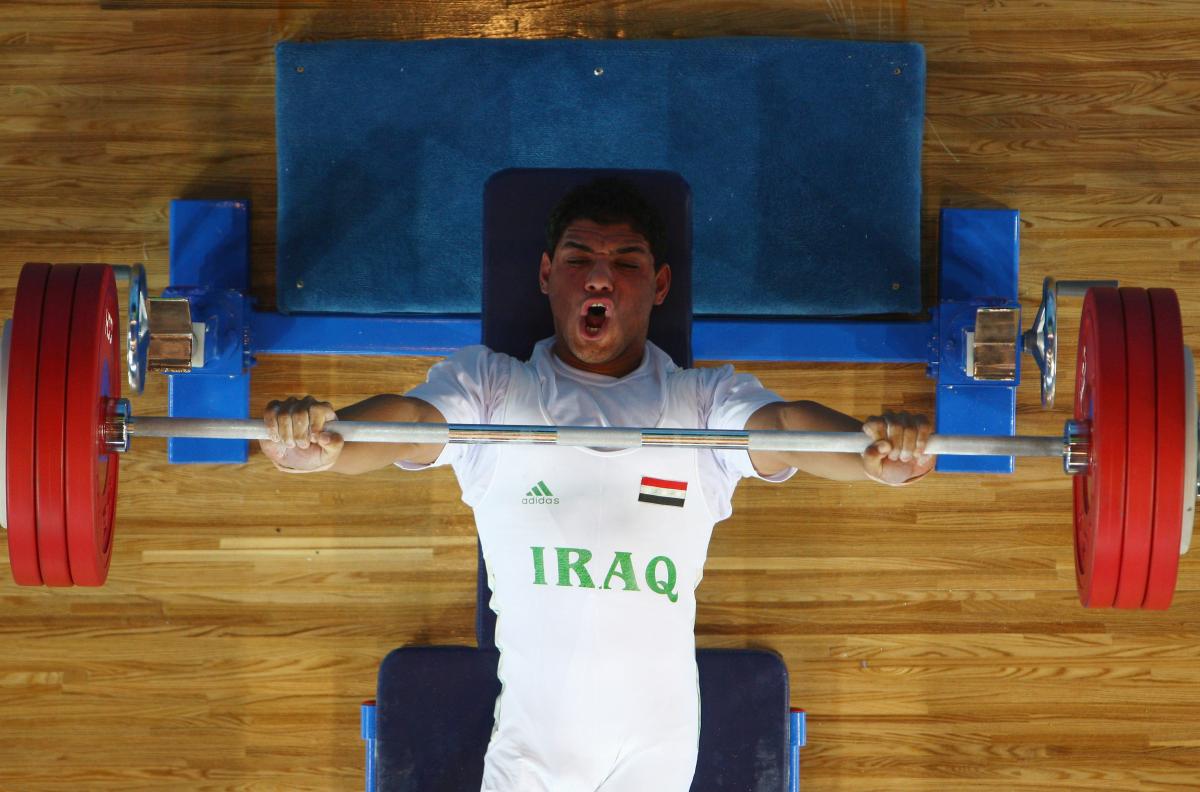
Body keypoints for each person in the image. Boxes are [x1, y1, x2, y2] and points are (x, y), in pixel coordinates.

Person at [260, 178, 934, 792]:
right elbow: (409, 420)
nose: (601, 280)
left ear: (660, 284)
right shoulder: (494, 390)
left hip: (658, 756)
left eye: (627, 263)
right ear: (548, 275)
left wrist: (866, 454)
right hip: (535, 763)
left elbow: (786, 426)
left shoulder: (701, 404)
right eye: (580, 259)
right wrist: (328, 443)